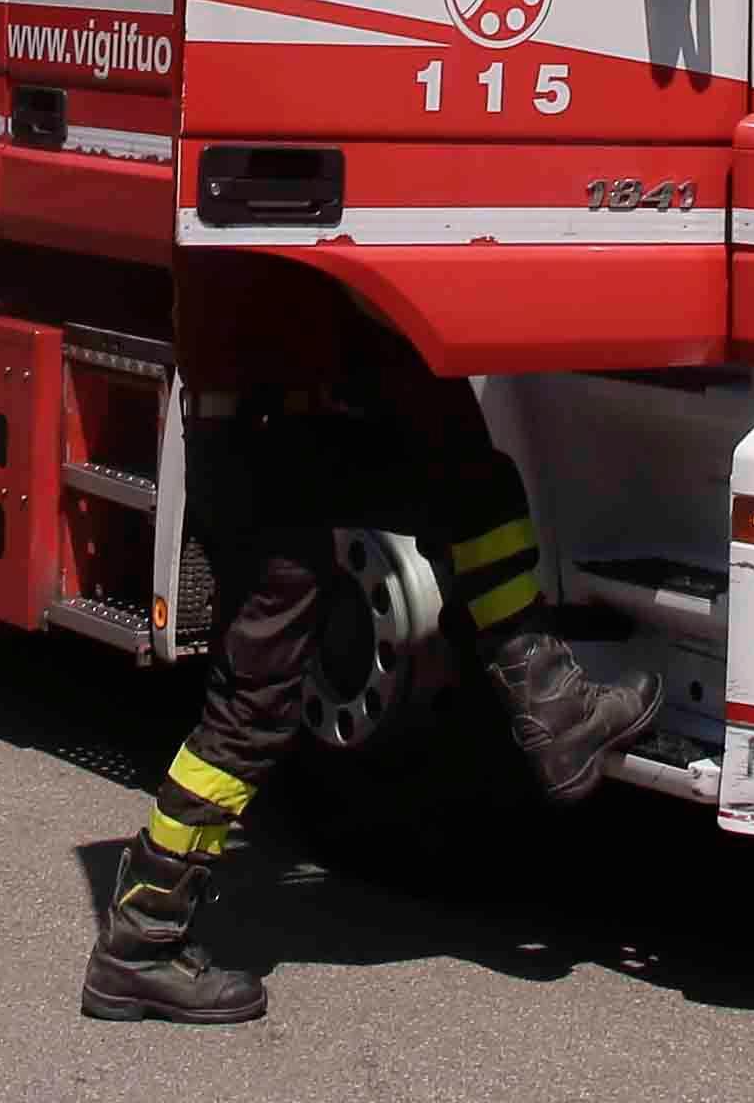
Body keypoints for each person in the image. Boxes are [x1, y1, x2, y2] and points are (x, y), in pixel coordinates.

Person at [81, 299, 657, 1025]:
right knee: (251, 713)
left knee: (475, 487)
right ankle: (138, 945)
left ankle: (554, 706)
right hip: (272, 438)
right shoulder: (260, 199)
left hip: (269, 432)